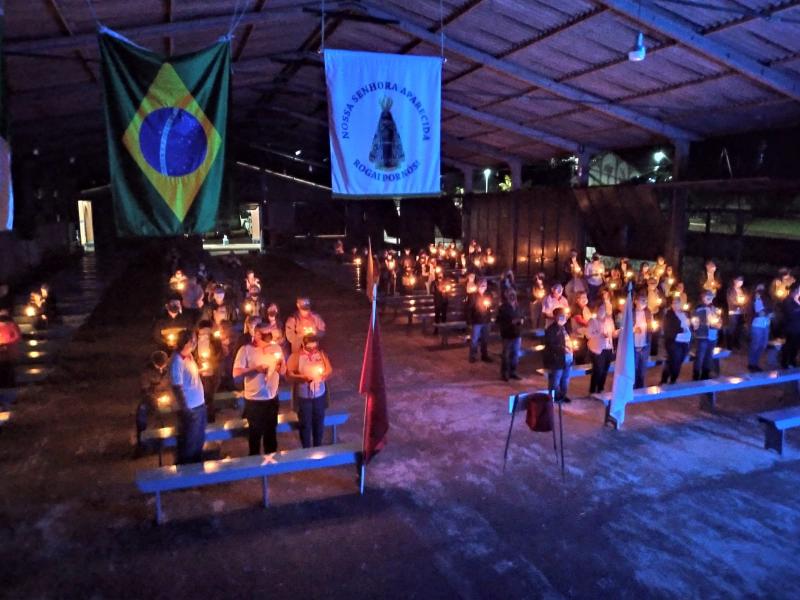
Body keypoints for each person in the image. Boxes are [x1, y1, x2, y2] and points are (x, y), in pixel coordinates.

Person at [233, 322, 286, 455]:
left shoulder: (276, 348)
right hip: (254, 400)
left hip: (272, 398)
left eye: (270, 334)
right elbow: (236, 374)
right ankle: (254, 461)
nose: (268, 337)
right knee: (255, 434)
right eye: (265, 334)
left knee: (271, 433)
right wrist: (254, 370)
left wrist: (280, 367)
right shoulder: (245, 350)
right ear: (256, 335)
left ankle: (271, 463)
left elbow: (284, 371)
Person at [287, 335, 332, 448]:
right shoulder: (296, 356)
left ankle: (318, 446)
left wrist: (324, 375)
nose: (312, 348)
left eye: (314, 345)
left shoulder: (321, 354)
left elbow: (329, 369)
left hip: (319, 394)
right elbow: (289, 374)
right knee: (305, 424)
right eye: (309, 346)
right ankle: (306, 448)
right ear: (303, 344)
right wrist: (302, 378)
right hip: (304, 396)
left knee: (319, 422)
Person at [170, 330, 206, 464]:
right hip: (190, 408)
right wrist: (185, 408)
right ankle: (185, 474)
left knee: (198, 441)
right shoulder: (176, 362)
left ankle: (196, 472)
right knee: (189, 444)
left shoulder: (188, 356)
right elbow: (177, 387)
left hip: (199, 405)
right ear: (187, 342)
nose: (195, 343)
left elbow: (188, 379)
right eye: (193, 340)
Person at [137, 350, 171, 447]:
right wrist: (154, 398)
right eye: (158, 366)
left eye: (163, 366)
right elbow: (145, 389)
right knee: (142, 412)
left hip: (170, 397)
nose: (161, 368)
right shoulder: (146, 372)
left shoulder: (170, 367)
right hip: (152, 398)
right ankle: (143, 442)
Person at [543, 308, 573, 402]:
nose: (563, 317)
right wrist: (563, 349)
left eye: (564, 315)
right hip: (557, 359)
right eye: (560, 316)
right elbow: (550, 345)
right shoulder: (551, 330)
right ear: (555, 317)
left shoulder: (566, 327)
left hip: (568, 357)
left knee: (565, 379)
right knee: (555, 380)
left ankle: (562, 395)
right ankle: (554, 397)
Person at [691, 291, 722, 380]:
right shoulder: (698, 309)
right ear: (703, 298)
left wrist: (718, 324)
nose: (709, 299)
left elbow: (719, 321)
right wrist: (699, 325)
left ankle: (705, 375)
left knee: (709, 356)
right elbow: (695, 322)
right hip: (703, 336)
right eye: (707, 297)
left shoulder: (715, 309)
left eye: (711, 297)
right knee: (700, 357)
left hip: (713, 336)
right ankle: (696, 376)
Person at [661, 297, 692, 384]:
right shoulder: (669, 315)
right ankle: (668, 379)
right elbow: (668, 329)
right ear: (671, 305)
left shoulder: (685, 314)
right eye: (673, 303)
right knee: (674, 360)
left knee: (679, 360)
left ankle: (672, 378)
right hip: (673, 341)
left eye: (677, 303)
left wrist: (692, 326)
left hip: (685, 341)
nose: (675, 305)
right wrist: (681, 330)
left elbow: (690, 325)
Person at [587, 303, 617, 394]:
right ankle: (592, 390)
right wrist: (600, 335)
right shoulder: (593, 321)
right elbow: (588, 335)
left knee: (605, 369)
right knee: (598, 370)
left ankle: (600, 388)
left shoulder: (609, 320)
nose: (602, 310)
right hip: (597, 349)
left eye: (604, 308)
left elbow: (613, 332)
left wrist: (617, 333)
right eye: (600, 308)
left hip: (608, 347)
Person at [497, 290, 524, 381]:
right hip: (507, 334)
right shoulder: (503, 308)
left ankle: (513, 372)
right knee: (506, 354)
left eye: (513, 295)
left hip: (517, 333)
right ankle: (504, 373)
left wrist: (521, 320)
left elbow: (522, 315)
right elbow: (499, 320)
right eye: (510, 295)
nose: (512, 297)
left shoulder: (518, 306)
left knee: (515, 354)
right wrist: (510, 322)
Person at [466, 278, 493, 363]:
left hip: (486, 320)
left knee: (485, 339)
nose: (483, 287)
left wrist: (489, 305)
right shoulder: (473, 296)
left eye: (485, 285)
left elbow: (492, 304)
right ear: (478, 286)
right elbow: (469, 309)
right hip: (477, 320)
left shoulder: (488, 294)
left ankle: (484, 355)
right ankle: (472, 356)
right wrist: (469, 321)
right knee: (474, 339)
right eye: (482, 285)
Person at [632, 293, 655, 388]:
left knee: (642, 368)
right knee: (634, 367)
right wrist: (634, 329)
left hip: (645, 344)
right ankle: (632, 386)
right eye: (642, 300)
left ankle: (640, 386)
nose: (644, 303)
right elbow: (624, 328)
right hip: (634, 345)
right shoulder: (631, 313)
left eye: (645, 301)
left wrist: (652, 328)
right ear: (636, 301)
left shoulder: (648, 313)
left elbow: (652, 324)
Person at [747, 284, 772, 372]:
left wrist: (769, 313)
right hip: (757, 324)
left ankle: (755, 362)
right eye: (759, 288)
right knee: (756, 344)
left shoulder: (767, 299)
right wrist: (757, 314)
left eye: (762, 288)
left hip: (766, 324)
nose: (760, 290)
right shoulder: (752, 299)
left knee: (763, 344)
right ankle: (751, 364)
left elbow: (770, 308)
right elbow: (749, 312)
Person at [0, 310, 22, 389]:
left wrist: (8, 344)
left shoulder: (12, 326)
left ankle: (10, 385)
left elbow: (17, 337)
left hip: (10, 353)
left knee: (9, 370)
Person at [780, 285, 800, 368]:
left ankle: (792, 361)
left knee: (796, 346)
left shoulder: (798, 300)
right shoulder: (788, 300)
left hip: (798, 327)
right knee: (788, 345)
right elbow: (790, 313)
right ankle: (784, 363)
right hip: (791, 327)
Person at [725, 276, 746, 350]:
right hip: (733, 312)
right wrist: (737, 305)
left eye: (741, 281)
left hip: (740, 312)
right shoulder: (730, 290)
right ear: (734, 281)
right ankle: (729, 345)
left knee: (739, 329)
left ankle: (737, 344)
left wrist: (743, 304)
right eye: (738, 281)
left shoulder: (742, 290)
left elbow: (744, 299)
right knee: (732, 328)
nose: (740, 282)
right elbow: (730, 300)